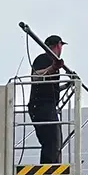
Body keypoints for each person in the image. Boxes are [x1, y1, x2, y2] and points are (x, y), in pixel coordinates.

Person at [28, 33, 67, 165]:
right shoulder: (44, 59)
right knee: (51, 140)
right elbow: (36, 76)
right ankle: (49, 167)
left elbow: (50, 88)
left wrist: (66, 86)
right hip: (41, 105)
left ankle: (53, 164)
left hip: (47, 105)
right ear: (58, 45)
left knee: (55, 140)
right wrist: (53, 68)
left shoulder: (52, 63)